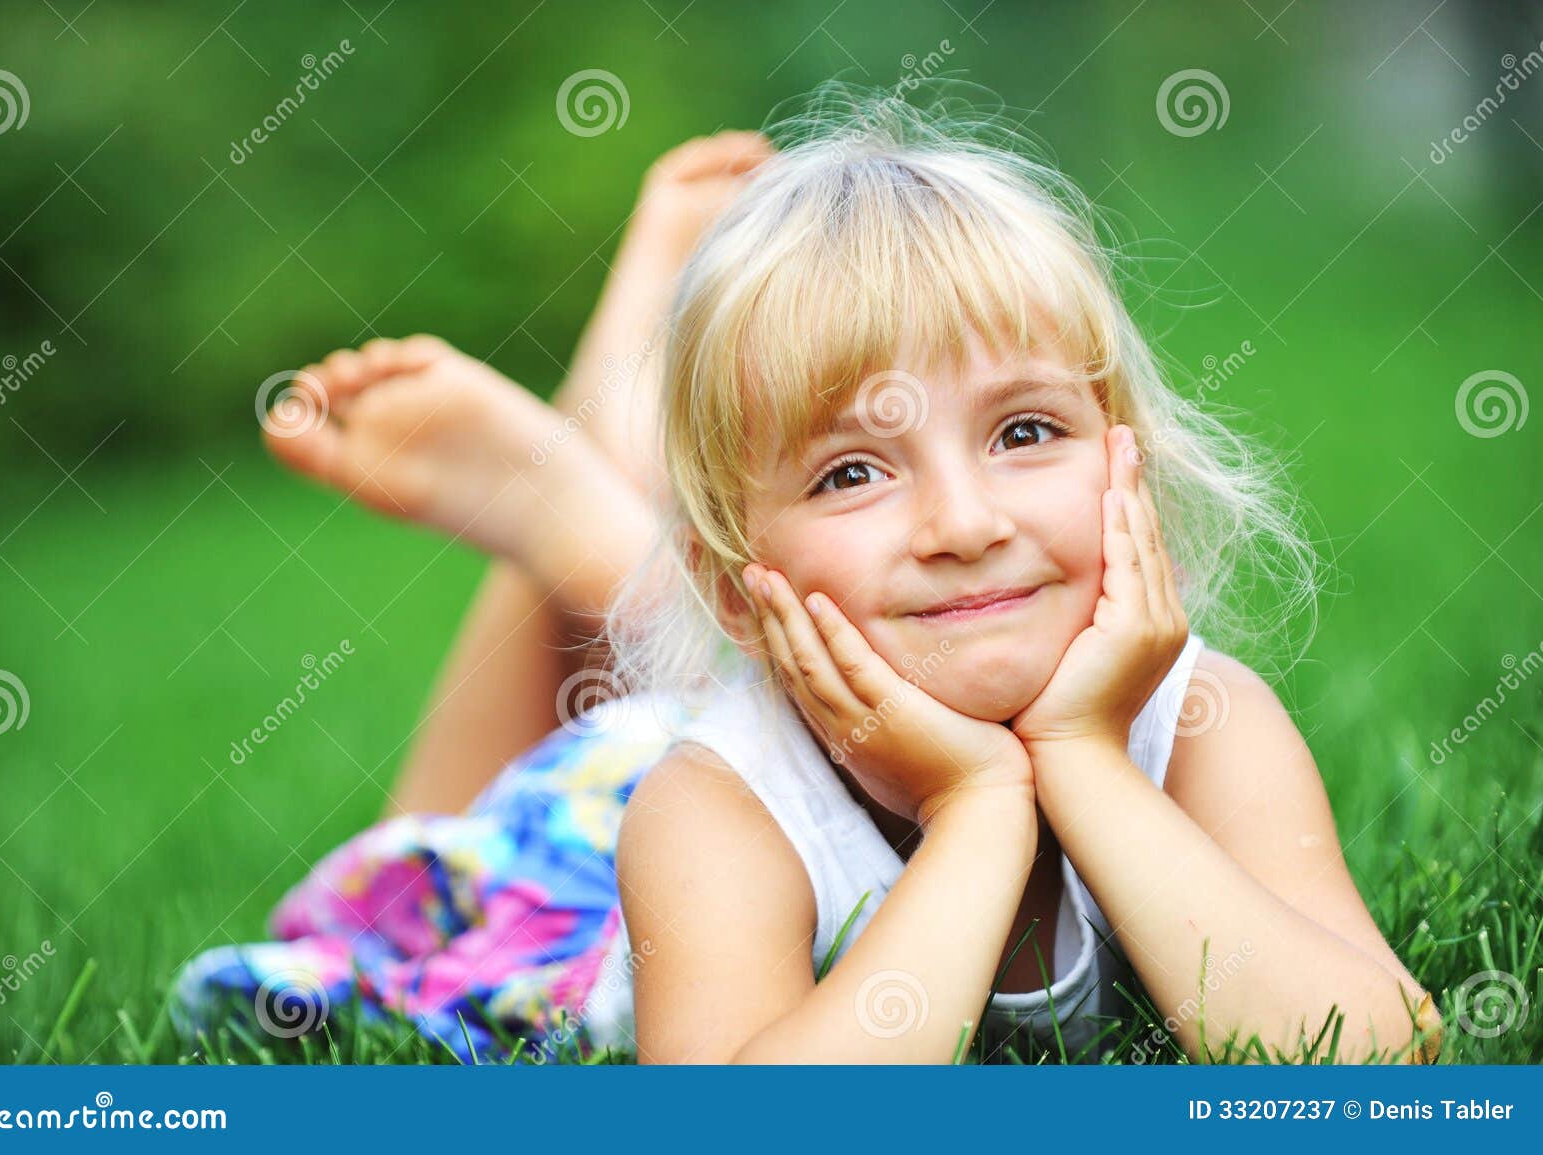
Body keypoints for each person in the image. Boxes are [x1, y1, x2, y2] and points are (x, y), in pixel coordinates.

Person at [172, 86, 1443, 1065]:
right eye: (850, 471)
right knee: (419, 864)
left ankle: (605, 485)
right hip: (596, 833)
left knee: (696, 625)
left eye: (1023, 432)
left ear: (1131, 463)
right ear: (744, 591)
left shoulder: (1203, 725)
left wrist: (1090, 762)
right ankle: (572, 499)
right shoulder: (709, 815)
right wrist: (979, 811)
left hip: (732, 648)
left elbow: (1377, 1065)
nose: (962, 520)